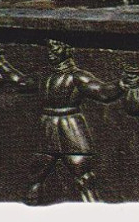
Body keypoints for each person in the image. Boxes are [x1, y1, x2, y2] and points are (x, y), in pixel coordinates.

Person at [24, 39, 128, 204]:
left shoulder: (77, 76)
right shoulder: (44, 74)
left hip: (70, 128)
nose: (49, 52)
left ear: (67, 50)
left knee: (83, 175)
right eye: (48, 49)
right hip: (47, 127)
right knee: (35, 173)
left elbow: (102, 92)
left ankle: (95, 215)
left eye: (55, 48)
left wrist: (122, 84)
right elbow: (22, 82)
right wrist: (1, 66)